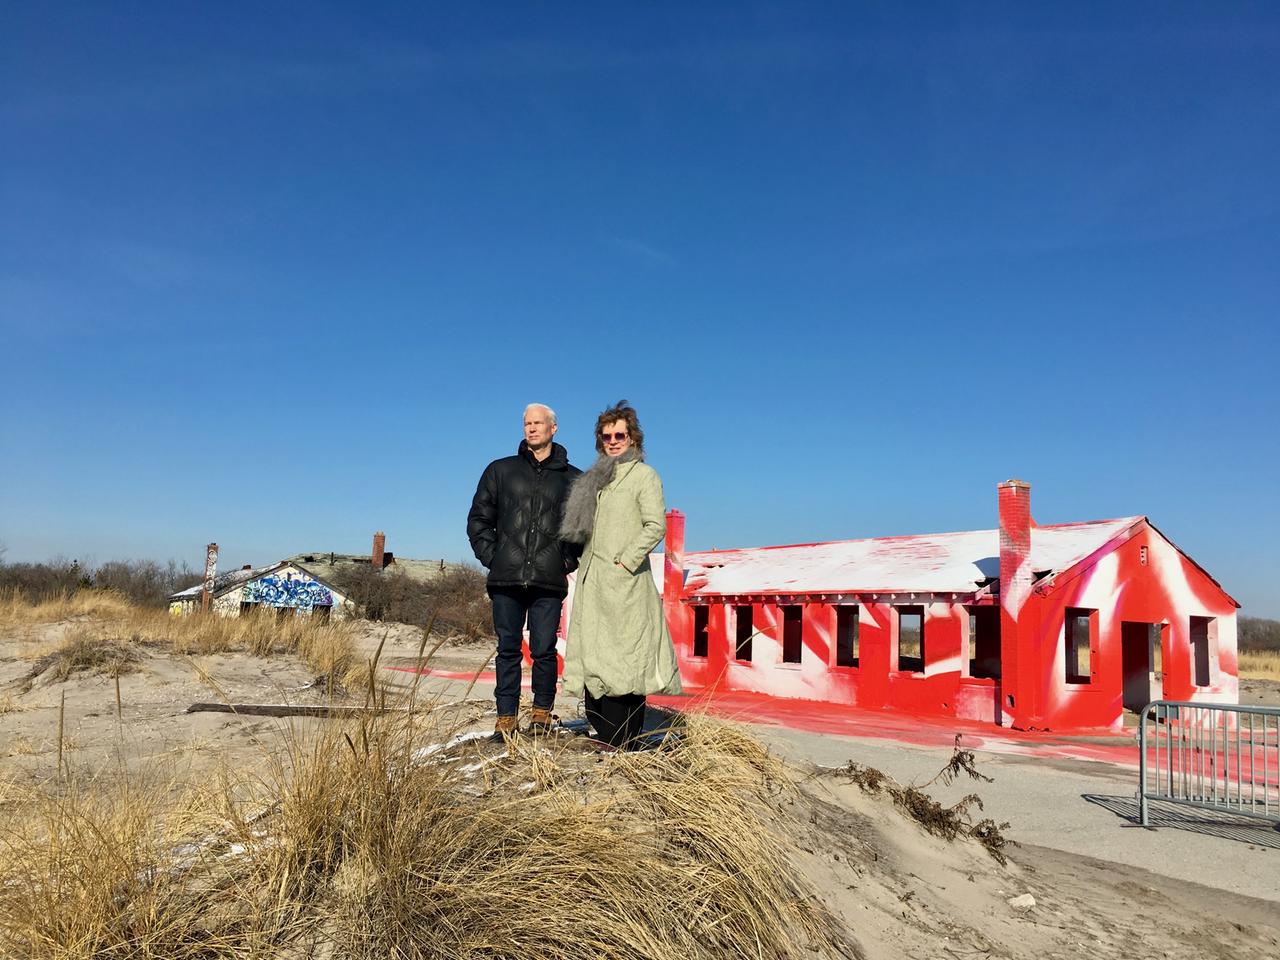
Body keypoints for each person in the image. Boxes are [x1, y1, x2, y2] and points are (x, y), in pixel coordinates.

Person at [559, 400, 682, 748]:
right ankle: (605, 734)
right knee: (595, 654)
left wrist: (625, 561)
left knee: (626, 658)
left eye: (620, 435)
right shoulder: (596, 478)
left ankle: (624, 738)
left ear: (633, 438)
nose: (613, 441)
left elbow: (655, 524)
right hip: (593, 581)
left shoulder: (644, 475)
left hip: (625, 583)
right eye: (606, 435)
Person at [467, 403, 581, 739]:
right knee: (508, 648)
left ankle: (542, 715)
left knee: (544, 649)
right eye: (527, 423)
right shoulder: (500, 471)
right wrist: (495, 557)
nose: (531, 429)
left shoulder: (574, 479)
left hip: (548, 579)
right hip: (507, 578)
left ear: (553, 428)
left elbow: (581, 530)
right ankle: (505, 718)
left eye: (538, 423)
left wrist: (565, 562)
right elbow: (479, 521)